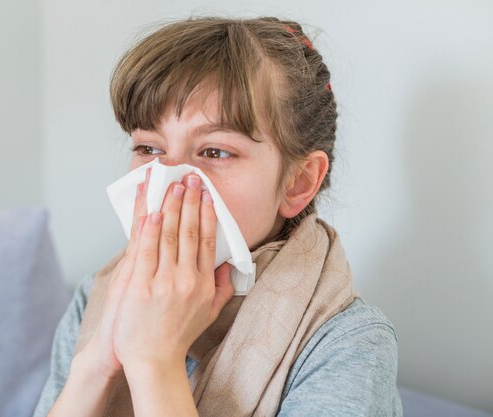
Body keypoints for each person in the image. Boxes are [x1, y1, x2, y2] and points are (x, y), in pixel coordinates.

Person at [34, 16, 402, 417]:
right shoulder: (98, 295)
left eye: (214, 152)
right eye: (149, 148)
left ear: (298, 183)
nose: (169, 180)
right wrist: (96, 365)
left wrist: (154, 360)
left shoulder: (347, 342)